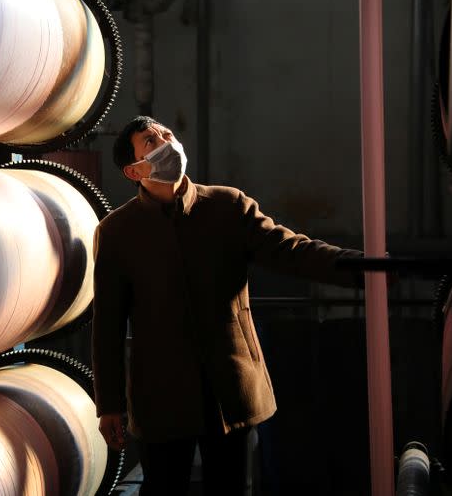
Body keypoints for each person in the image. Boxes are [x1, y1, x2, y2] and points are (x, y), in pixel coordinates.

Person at [91, 115, 366, 495]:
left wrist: (362, 268)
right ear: (134, 170)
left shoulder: (227, 206)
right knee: (164, 487)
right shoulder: (117, 232)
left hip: (229, 386)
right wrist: (109, 403)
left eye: (166, 134)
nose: (167, 142)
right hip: (161, 394)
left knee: (230, 487)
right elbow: (107, 323)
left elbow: (290, 250)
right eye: (151, 142)